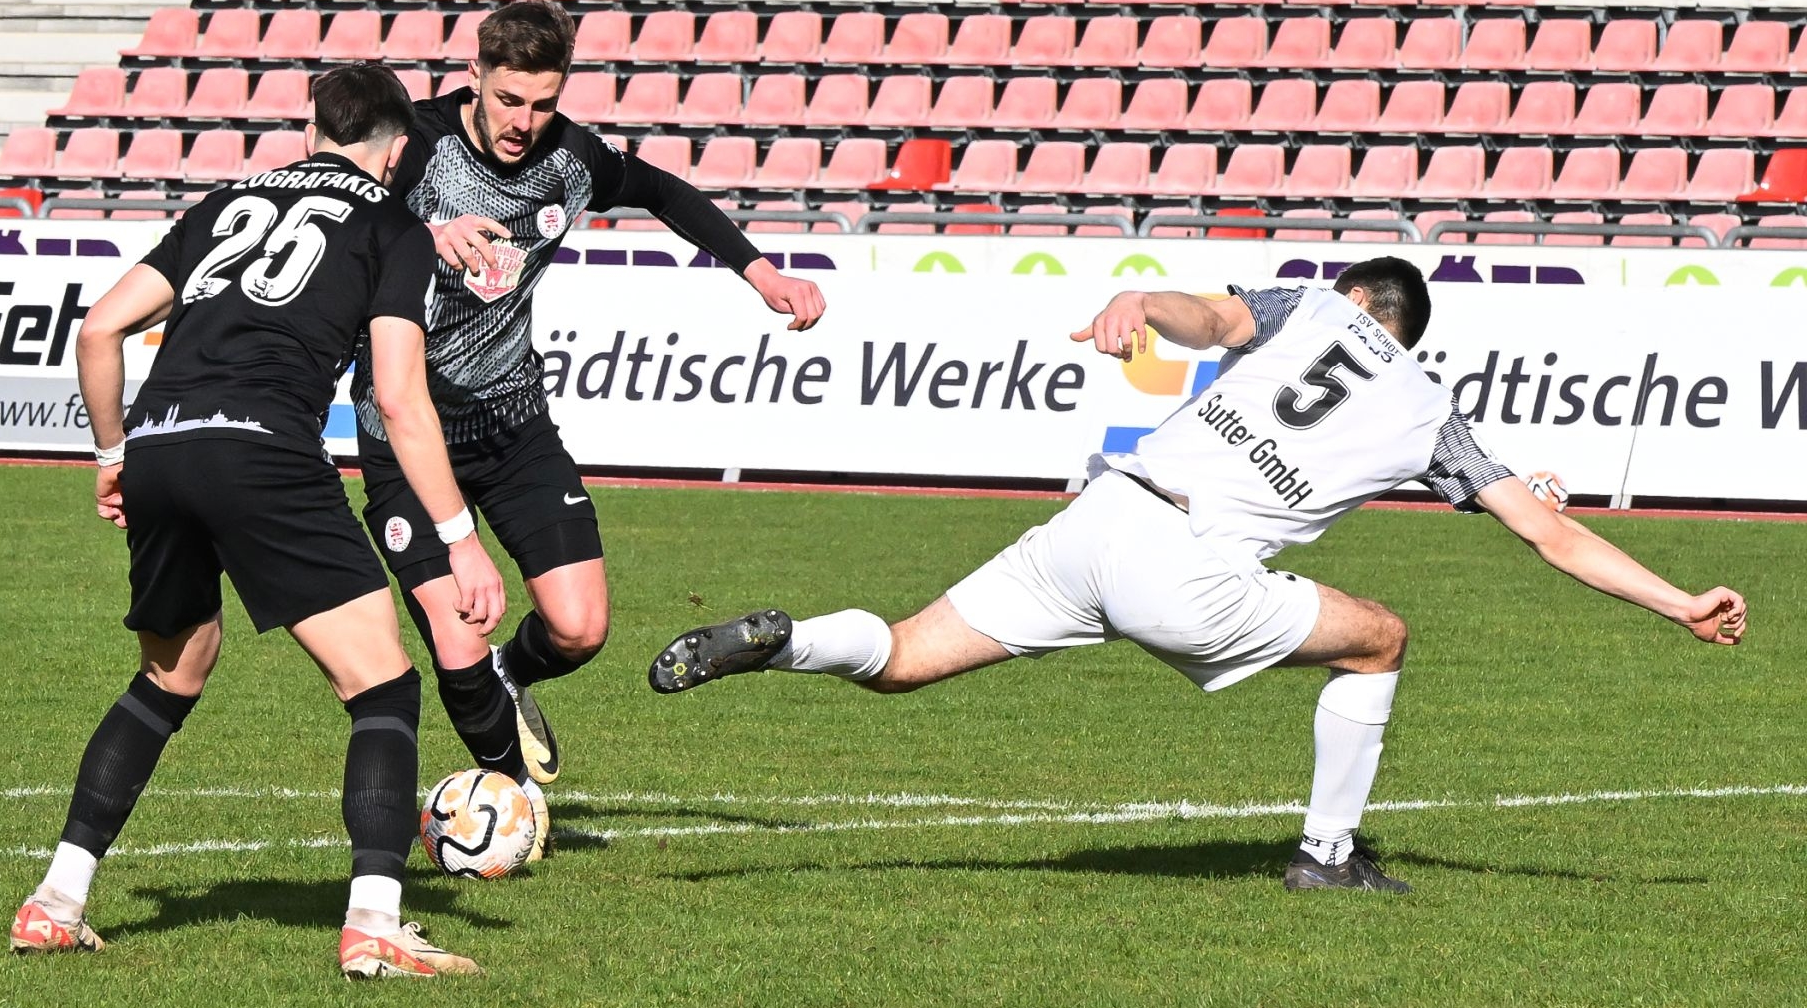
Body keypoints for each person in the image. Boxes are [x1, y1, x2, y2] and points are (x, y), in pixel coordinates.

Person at [646, 258, 1747, 892]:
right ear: (1410, 329)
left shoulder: (1305, 308)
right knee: (1381, 634)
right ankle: (1327, 854)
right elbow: (1550, 534)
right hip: (1186, 565)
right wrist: (1681, 601)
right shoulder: (1429, 410)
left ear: (1356, 298)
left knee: (899, 655)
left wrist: (1139, 300)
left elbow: (1208, 318)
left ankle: (787, 639)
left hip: (1099, 516)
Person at [9, 65, 511, 978]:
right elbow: (399, 397)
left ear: (313, 126)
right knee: (385, 687)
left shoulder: (225, 202)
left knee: (173, 672)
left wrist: (114, 454)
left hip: (161, 440)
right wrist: (460, 537)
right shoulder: (391, 223)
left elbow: (98, 330)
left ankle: (55, 900)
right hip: (262, 446)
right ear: (398, 152)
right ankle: (375, 922)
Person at [352, 0, 827, 794]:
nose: (523, 120)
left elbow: (664, 191)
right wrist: (423, 234)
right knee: (456, 635)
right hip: (407, 427)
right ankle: (515, 804)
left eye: (542, 103)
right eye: (508, 99)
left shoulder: (570, 159)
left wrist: (762, 272)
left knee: (580, 628)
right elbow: (344, 211)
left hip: (511, 421)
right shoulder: (417, 145)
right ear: (474, 75)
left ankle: (511, 676)